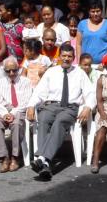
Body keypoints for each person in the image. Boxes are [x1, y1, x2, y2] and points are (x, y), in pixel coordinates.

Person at [27, 44, 95, 180]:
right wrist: (31, 105)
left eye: (69, 56)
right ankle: (45, 163)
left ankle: (41, 157)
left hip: (70, 108)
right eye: (63, 56)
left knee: (60, 122)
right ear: (59, 57)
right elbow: (39, 91)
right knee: (44, 119)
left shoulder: (80, 73)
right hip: (51, 106)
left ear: (74, 58)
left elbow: (90, 93)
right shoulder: (51, 72)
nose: (66, 59)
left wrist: (88, 107)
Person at [0, 56, 33, 173]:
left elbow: (26, 101)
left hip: (19, 110)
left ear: (18, 69)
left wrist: (13, 113)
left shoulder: (26, 82)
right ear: (4, 71)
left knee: (16, 124)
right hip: (3, 110)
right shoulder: (0, 82)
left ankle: (15, 157)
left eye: (14, 70)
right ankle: (4, 157)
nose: (11, 73)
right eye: (8, 71)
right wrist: (5, 113)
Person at [77, 0, 107, 64]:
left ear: (101, 11)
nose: (95, 14)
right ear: (89, 12)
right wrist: (79, 61)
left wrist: (106, 61)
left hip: (103, 65)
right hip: (85, 65)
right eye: (93, 11)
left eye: (98, 11)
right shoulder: (82, 24)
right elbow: (78, 44)